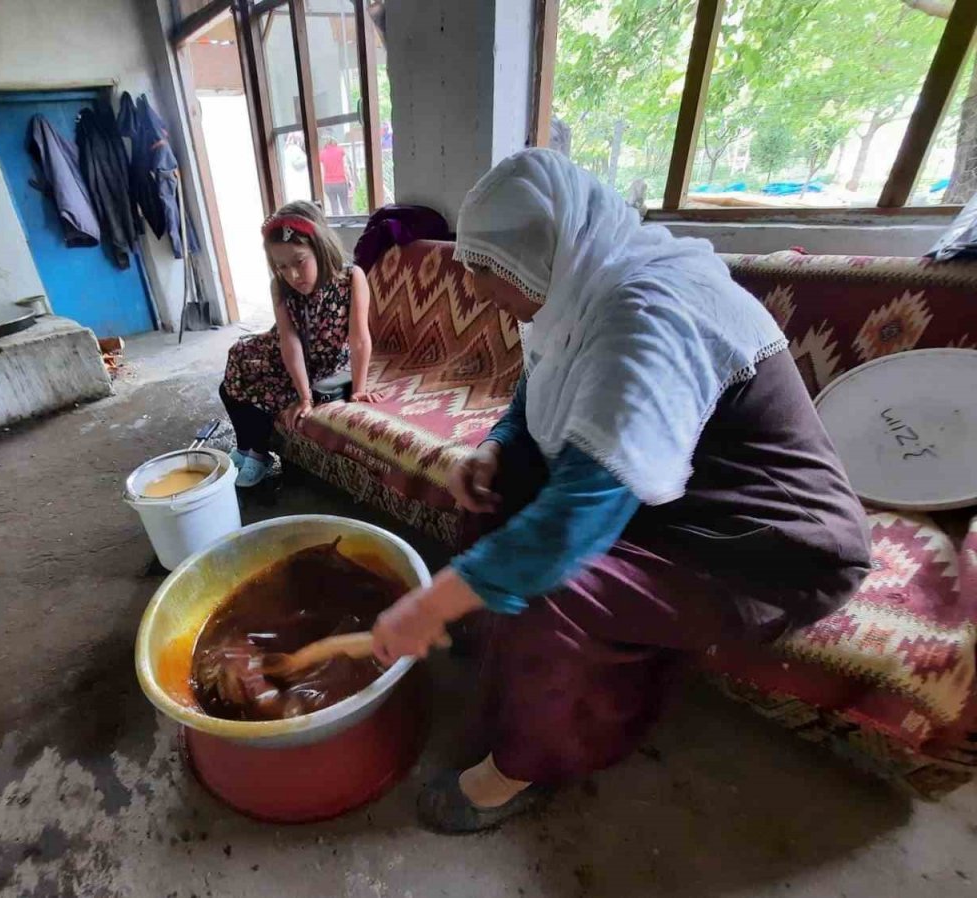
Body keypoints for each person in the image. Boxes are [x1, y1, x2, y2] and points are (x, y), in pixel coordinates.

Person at [369, 150, 871, 833]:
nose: (477, 289)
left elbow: (570, 525)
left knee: (552, 589)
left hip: (764, 548)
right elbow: (538, 386)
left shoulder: (648, 314)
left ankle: (522, 767)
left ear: (541, 252)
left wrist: (429, 602)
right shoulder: (580, 281)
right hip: (679, 499)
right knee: (498, 487)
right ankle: (490, 635)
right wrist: (497, 446)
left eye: (487, 269)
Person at [220, 201, 384, 487]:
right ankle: (245, 447)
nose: (293, 275)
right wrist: (305, 396)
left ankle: (258, 452)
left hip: (324, 361)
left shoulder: (351, 278)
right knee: (235, 367)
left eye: (299, 261)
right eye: (282, 266)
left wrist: (358, 389)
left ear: (320, 248)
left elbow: (359, 339)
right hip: (289, 354)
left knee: (262, 389)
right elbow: (289, 340)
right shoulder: (280, 286)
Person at [319, 137, 352, 216]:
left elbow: (321, 170)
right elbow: (345, 166)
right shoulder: (340, 151)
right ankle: (348, 221)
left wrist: (322, 183)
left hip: (328, 184)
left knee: (334, 206)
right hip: (341, 182)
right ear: (335, 143)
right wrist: (349, 179)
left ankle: (336, 221)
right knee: (345, 205)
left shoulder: (322, 153)